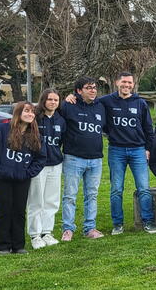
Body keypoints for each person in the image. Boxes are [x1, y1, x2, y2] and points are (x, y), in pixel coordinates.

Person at [65, 72, 156, 236]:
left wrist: (148, 149)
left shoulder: (140, 103)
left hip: (138, 150)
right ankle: (117, 224)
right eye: (124, 82)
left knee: (143, 188)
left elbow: (149, 129)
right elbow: (86, 100)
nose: (126, 85)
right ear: (117, 83)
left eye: (129, 83)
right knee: (116, 189)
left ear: (133, 84)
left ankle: (148, 222)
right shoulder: (106, 101)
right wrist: (71, 96)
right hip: (116, 150)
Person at [0, 102, 46, 255]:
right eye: (26, 111)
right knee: (4, 210)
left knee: (18, 211)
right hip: (0, 178)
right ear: (18, 112)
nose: (30, 114)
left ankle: (18, 246)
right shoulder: (1, 130)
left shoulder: (35, 136)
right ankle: (2, 246)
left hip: (21, 178)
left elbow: (41, 158)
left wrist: (28, 173)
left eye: (32, 112)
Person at [59, 77, 108, 241]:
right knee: (70, 195)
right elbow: (50, 111)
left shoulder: (101, 107)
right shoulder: (68, 105)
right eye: (88, 88)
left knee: (92, 195)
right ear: (79, 91)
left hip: (95, 159)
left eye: (94, 87)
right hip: (74, 158)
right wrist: (65, 97)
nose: (93, 90)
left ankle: (90, 228)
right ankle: (68, 229)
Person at [27, 90, 64, 250]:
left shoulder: (61, 120)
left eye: (56, 100)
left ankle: (47, 232)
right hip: (37, 165)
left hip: (55, 164)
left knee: (52, 200)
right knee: (36, 201)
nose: (53, 102)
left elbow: (60, 141)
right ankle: (35, 235)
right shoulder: (35, 119)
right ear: (43, 100)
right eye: (50, 99)